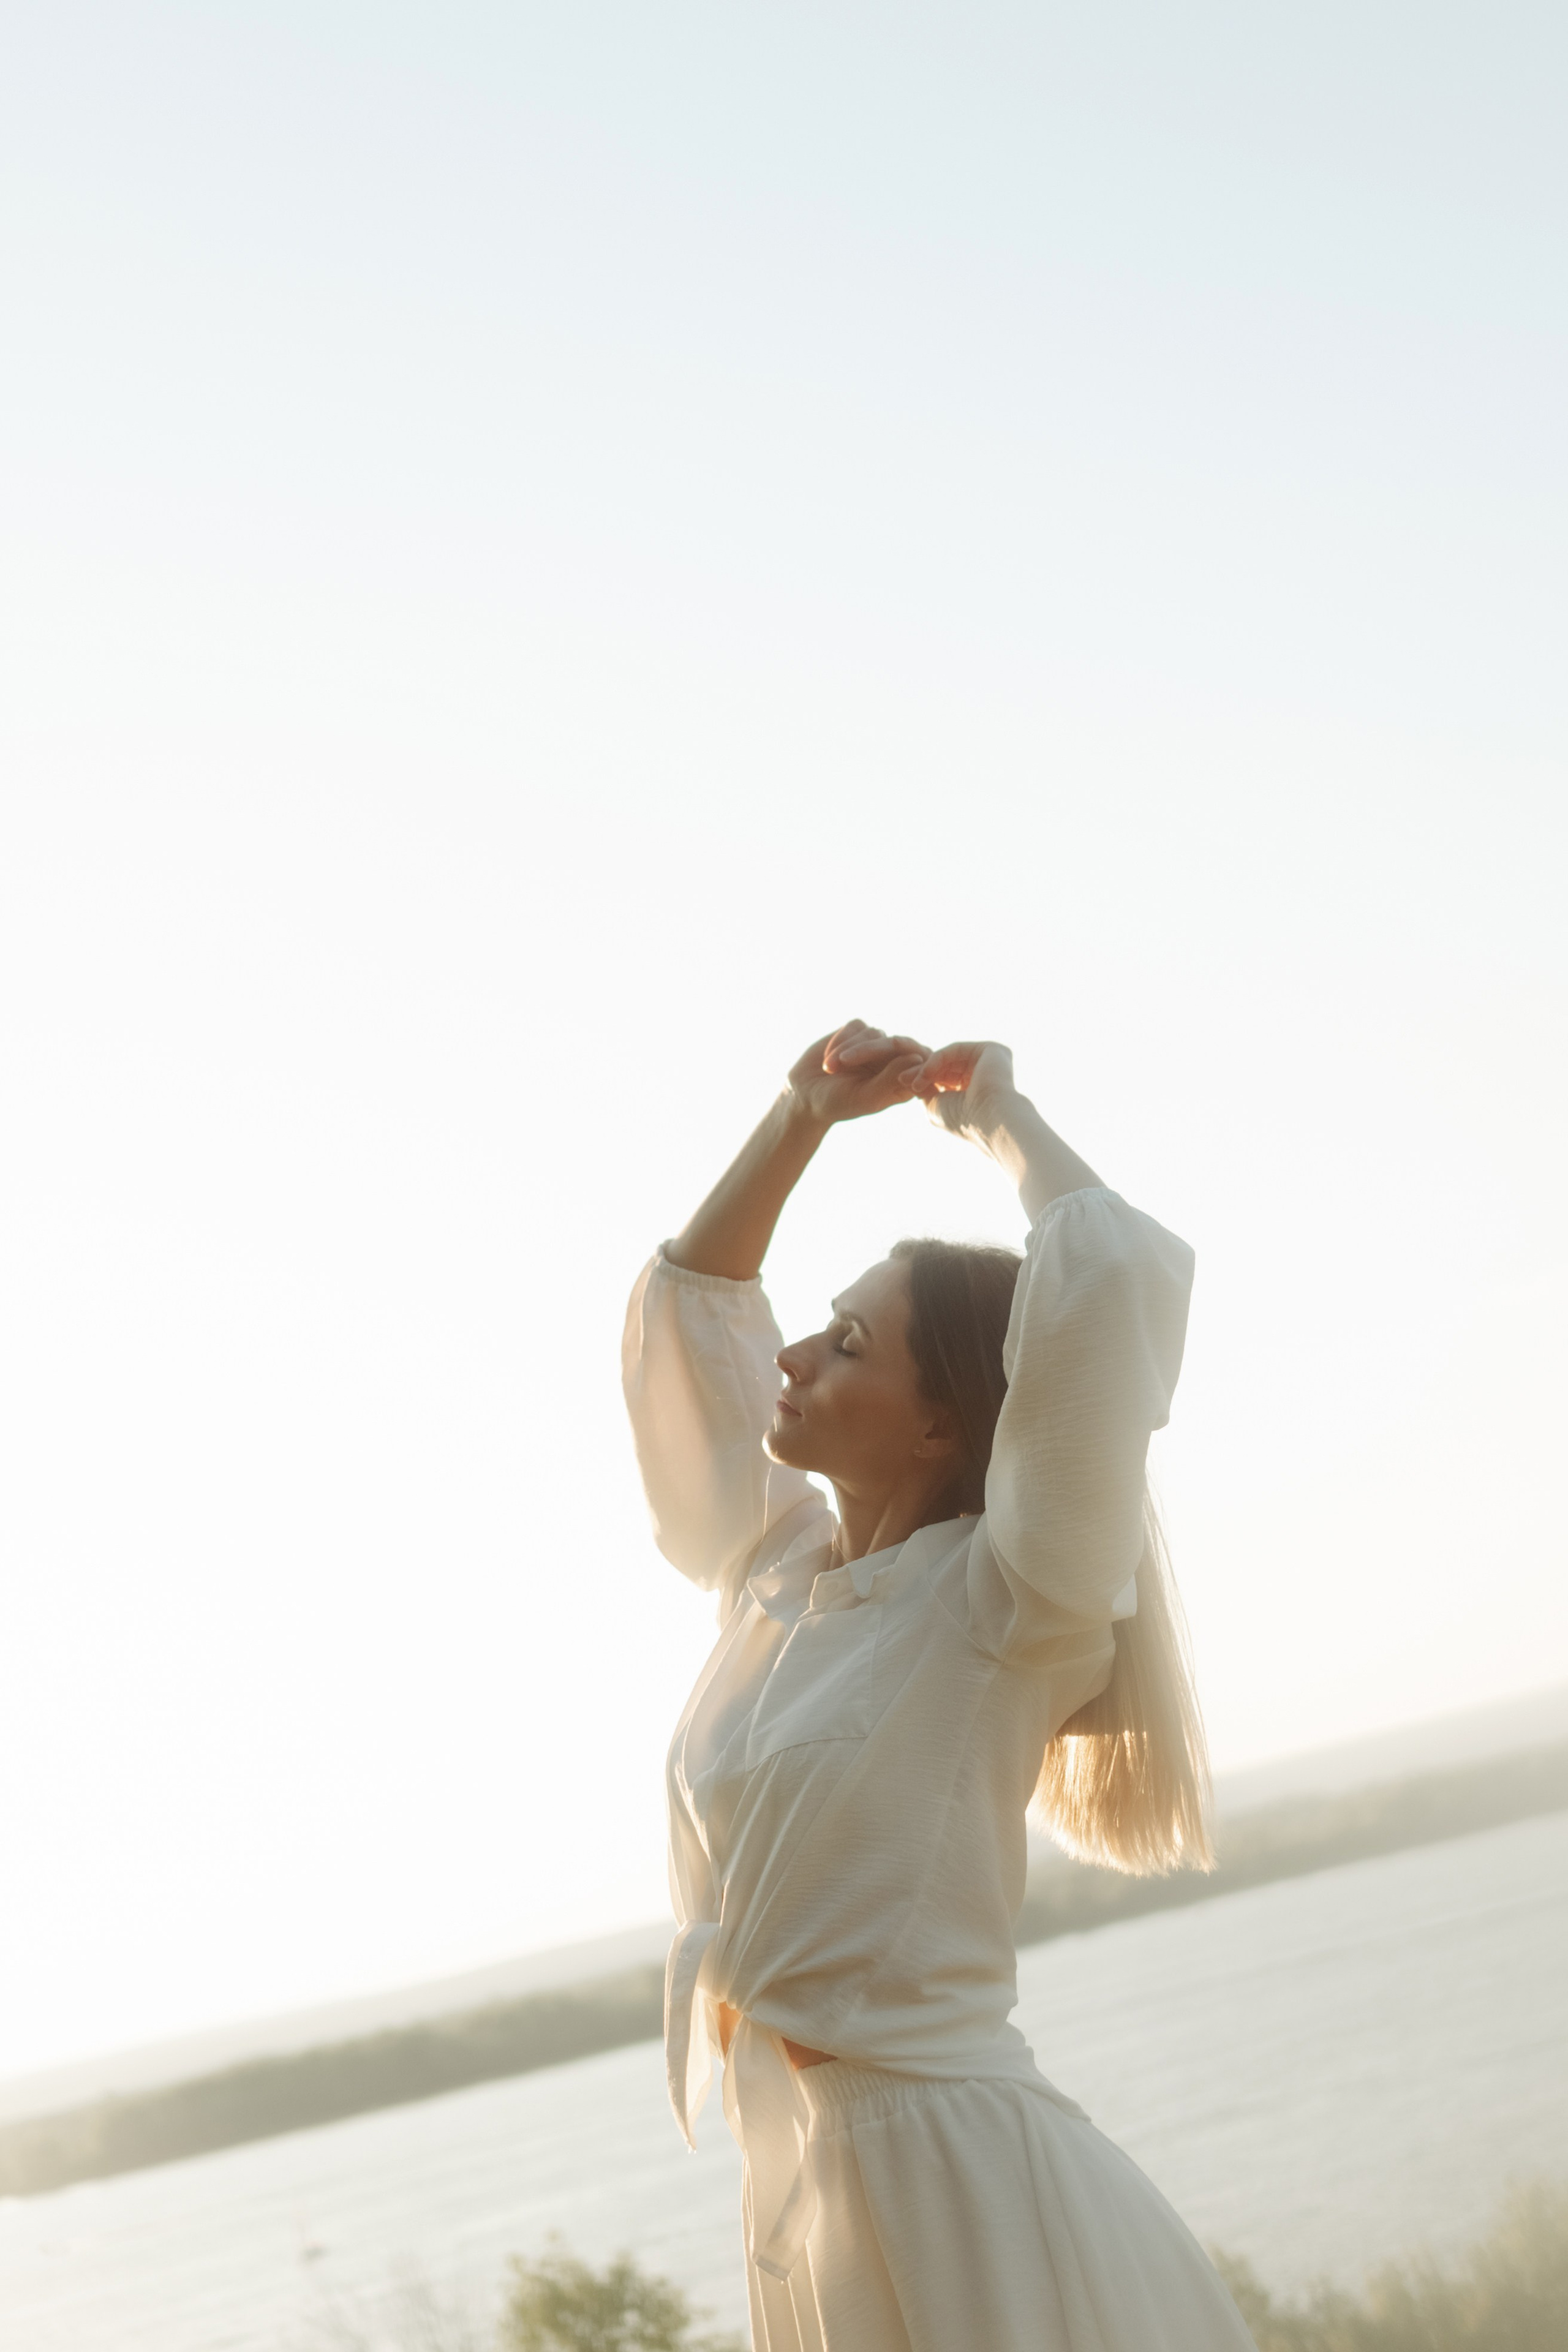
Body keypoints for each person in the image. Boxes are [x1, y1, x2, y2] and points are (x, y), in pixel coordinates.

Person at [622, 1022, 1255, 2352]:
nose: (794, 1357)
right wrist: (797, 1117)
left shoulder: (1006, 1600)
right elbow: (693, 1321)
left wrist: (1000, 1123)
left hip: (959, 2191)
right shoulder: (773, 1572)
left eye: (847, 1345)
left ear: (940, 1426)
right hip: (804, 2188)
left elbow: (1106, 1292)